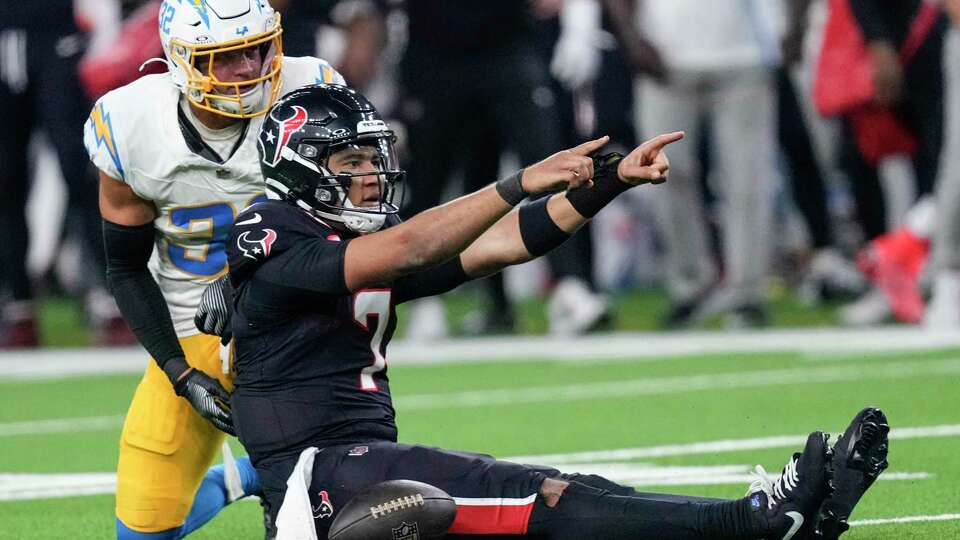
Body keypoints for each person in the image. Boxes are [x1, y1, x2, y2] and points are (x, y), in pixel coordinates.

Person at [214, 84, 889, 539]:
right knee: (543, 500)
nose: (371, 174)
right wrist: (517, 181)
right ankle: (761, 520)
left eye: (372, 157)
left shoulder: (353, 243)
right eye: (352, 160)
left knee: (568, 488)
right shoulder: (274, 233)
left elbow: (495, 247)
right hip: (320, 482)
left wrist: (604, 186)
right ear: (302, 167)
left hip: (358, 468)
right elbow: (411, 244)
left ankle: (775, 519)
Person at [83, 1, 346, 538]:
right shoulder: (129, 124)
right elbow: (125, 269)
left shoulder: (310, 90)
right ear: (182, 61)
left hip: (300, 323)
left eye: (257, 48)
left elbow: (357, 225)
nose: (251, 68)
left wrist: (251, 277)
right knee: (142, 532)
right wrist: (180, 374)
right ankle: (240, 477)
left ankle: (282, 468)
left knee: (342, 505)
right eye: (227, 57)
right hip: (191, 328)